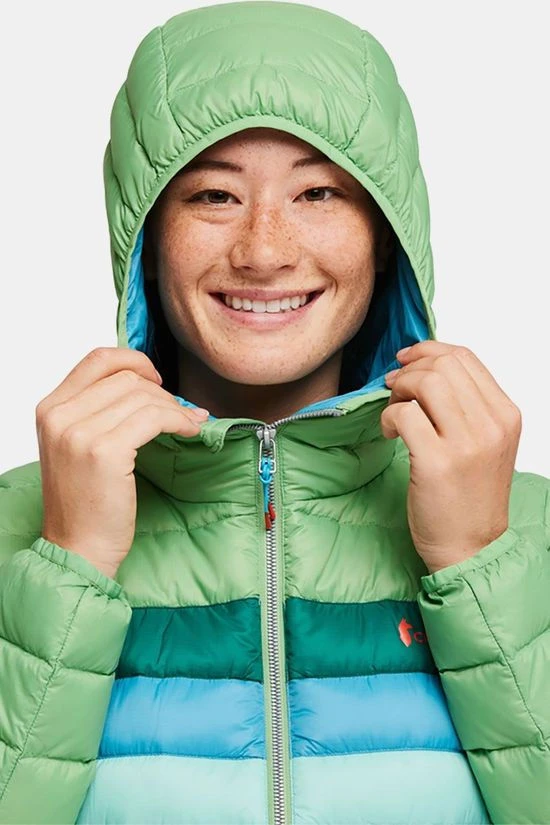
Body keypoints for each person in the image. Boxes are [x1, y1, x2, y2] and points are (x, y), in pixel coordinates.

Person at [0, 1, 548, 823]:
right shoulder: (21, 527)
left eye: (318, 191)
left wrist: (478, 563)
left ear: (386, 235)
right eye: (214, 195)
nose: (263, 250)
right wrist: (70, 568)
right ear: (146, 238)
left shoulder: (526, 528)